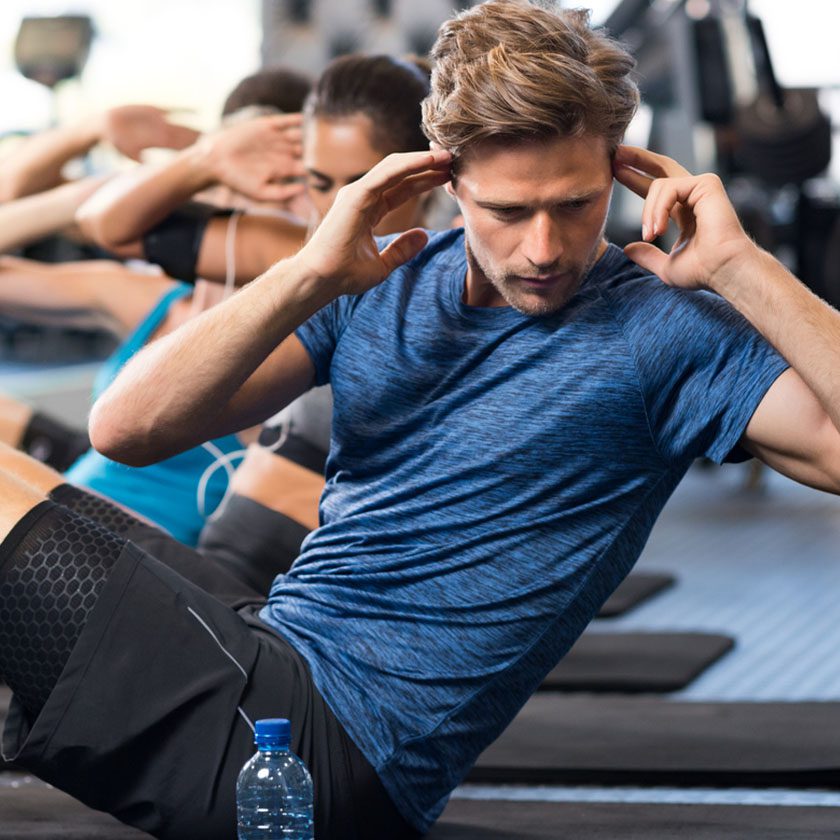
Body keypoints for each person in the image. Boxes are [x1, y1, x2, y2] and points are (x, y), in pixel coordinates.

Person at [2, 4, 836, 840]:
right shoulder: (377, 280)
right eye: (509, 212)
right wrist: (312, 271)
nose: (545, 248)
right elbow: (126, 429)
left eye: (576, 206)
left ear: (621, 172)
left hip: (329, 753)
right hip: (268, 663)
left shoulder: (665, 332)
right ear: (445, 182)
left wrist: (738, 266)